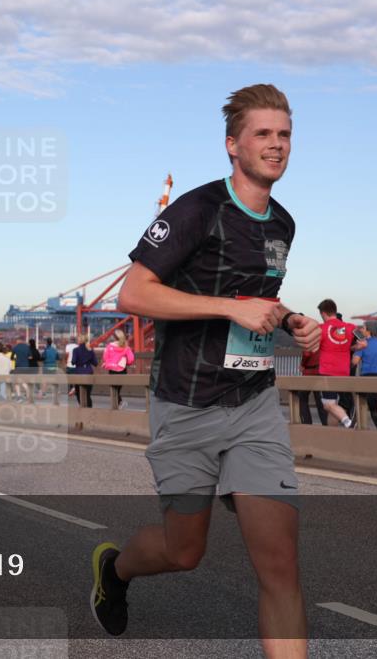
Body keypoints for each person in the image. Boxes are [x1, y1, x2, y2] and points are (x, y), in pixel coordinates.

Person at [91, 84, 319, 659]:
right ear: (232, 146)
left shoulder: (282, 225)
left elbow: (256, 297)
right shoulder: (196, 210)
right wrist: (228, 308)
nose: (276, 145)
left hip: (254, 407)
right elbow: (134, 295)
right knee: (183, 551)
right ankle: (115, 571)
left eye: (284, 134)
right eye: (262, 135)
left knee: (280, 568)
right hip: (186, 405)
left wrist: (290, 318)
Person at [317, 299, 355, 428]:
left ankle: (348, 422)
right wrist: (352, 348)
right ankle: (331, 434)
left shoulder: (321, 328)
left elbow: (312, 347)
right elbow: (364, 342)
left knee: (328, 404)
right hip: (344, 371)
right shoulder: (350, 327)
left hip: (328, 371)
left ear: (323, 313)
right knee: (333, 404)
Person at [102, 329, 135, 408]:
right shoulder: (126, 347)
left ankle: (117, 405)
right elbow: (131, 359)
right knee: (118, 389)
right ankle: (118, 404)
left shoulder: (109, 346)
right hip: (122, 370)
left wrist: (109, 362)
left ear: (114, 337)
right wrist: (126, 362)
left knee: (113, 389)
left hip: (112, 369)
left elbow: (105, 358)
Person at [297, 348, 326, 425]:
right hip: (321, 371)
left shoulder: (311, 339)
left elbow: (306, 354)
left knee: (302, 398)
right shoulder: (323, 338)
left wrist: (302, 365)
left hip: (309, 372)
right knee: (320, 401)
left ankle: (306, 423)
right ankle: (326, 424)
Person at [71, 335, 98, 408]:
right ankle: (89, 410)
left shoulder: (75, 350)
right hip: (89, 373)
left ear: (79, 341)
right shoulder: (90, 350)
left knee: (79, 394)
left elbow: (73, 361)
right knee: (87, 394)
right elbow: (95, 363)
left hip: (79, 373)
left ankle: (83, 408)